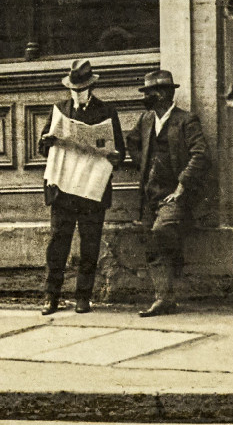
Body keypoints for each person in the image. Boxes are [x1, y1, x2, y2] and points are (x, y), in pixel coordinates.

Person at [38, 58, 125, 315]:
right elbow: (43, 149)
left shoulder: (107, 112)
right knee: (58, 244)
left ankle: (83, 296)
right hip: (63, 188)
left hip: (91, 189)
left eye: (82, 89)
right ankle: (51, 296)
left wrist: (113, 155)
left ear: (91, 87)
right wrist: (47, 141)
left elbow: (118, 150)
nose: (77, 94)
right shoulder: (60, 110)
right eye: (74, 89)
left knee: (90, 244)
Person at [135, 69, 211, 317]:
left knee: (161, 231)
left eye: (150, 92)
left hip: (176, 194)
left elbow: (200, 155)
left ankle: (173, 270)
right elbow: (132, 142)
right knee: (151, 243)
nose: (146, 96)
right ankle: (163, 299)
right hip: (151, 194)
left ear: (164, 94)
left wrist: (181, 186)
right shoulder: (146, 120)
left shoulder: (186, 120)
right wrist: (147, 166)